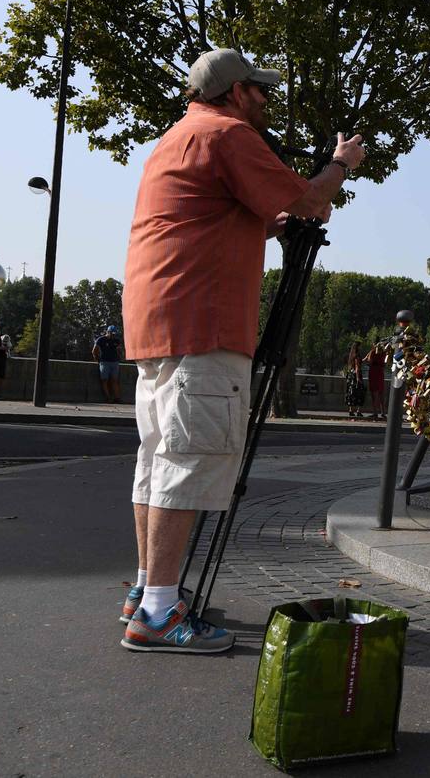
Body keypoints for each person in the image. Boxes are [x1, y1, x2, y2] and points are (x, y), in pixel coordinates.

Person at [120, 47, 365, 653]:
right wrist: (341, 164)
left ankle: (150, 588)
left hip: (157, 324)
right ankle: (156, 613)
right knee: (190, 461)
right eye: (257, 88)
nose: (264, 97)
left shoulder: (177, 137)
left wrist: (262, 225)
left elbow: (206, 216)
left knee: (156, 461)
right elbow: (309, 200)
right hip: (206, 326)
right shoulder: (229, 134)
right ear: (234, 93)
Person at [93, 325, 124, 404]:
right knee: (105, 380)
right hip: (104, 362)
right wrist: (97, 359)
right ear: (108, 332)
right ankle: (108, 397)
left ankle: (117, 398)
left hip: (115, 362)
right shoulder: (101, 339)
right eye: (112, 334)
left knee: (114, 380)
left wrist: (120, 357)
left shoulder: (116, 340)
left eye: (114, 334)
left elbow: (119, 350)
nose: (113, 335)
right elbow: (94, 350)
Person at [344, 341, 365, 419]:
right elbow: (357, 367)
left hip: (350, 375)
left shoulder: (351, 355)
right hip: (356, 375)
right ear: (358, 347)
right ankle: (358, 411)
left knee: (351, 393)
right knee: (359, 392)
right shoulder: (357, 356)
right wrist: (358, 378)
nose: (361, 348)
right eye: (360, 346)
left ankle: (351, 410)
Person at [367, 341, 387, 418]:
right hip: (380, 372)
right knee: (381, 393)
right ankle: (383, 412)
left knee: (374, 394)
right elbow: (385, 363)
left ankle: (375, 412)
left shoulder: (373, 352)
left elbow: (369, 361)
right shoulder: (383, 353)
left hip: (373, 372)